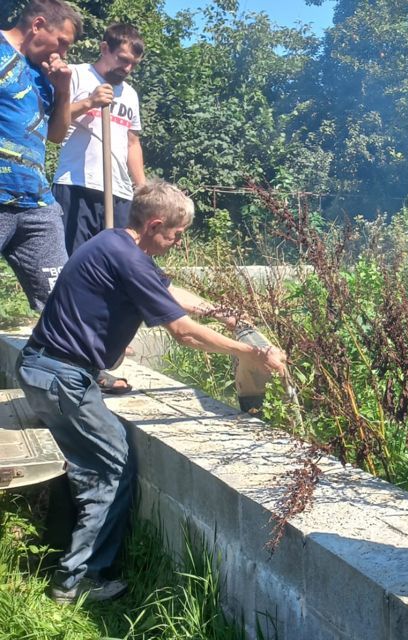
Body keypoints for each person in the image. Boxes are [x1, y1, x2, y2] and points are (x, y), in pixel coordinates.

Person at [17, 179, 288, 604]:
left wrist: (225, 314)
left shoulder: (113, 243)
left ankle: (61, 557)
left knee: (88, 464)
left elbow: (167, 290)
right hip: (61, 377)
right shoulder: (129, 259)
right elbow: (184, 334)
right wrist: (253, 351)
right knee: (110, 466)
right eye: (176, 235)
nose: (177, 243)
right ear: (156, 224)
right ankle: (77, 581)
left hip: (45, 369)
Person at [0, 0, 81, 311]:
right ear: (37, 25)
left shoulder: (42, 75)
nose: (61, 53)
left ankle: (71, 355)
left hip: (37, 203)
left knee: (62, 298)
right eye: (62, 42)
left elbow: (56, 135)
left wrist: (62, 90)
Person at [53, 22, 146, 255]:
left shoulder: (130, 94)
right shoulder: (75, 75)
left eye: (133, 64)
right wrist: (89, 103)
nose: (127, 68)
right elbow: (53, 124)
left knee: (115, 264)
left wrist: (142, 187)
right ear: (104, 48)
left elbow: (132, 142)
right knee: (75, 261)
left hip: (119, 192)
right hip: (77, 184)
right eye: (122, 59)